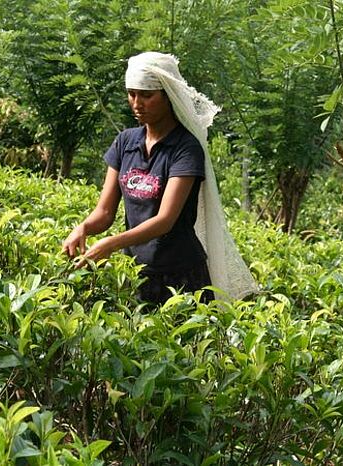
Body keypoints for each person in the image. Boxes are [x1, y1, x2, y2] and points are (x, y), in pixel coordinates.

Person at [62, 52, 257, 304]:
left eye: (146, 95)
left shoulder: (185, 148)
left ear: (168, 97)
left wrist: (110, 244)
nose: (136, 103)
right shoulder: (125, 143)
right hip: (137, 274)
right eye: (132, 94)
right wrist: (84, 228)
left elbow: (164, 221)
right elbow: (105, 212)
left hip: (181, 277)